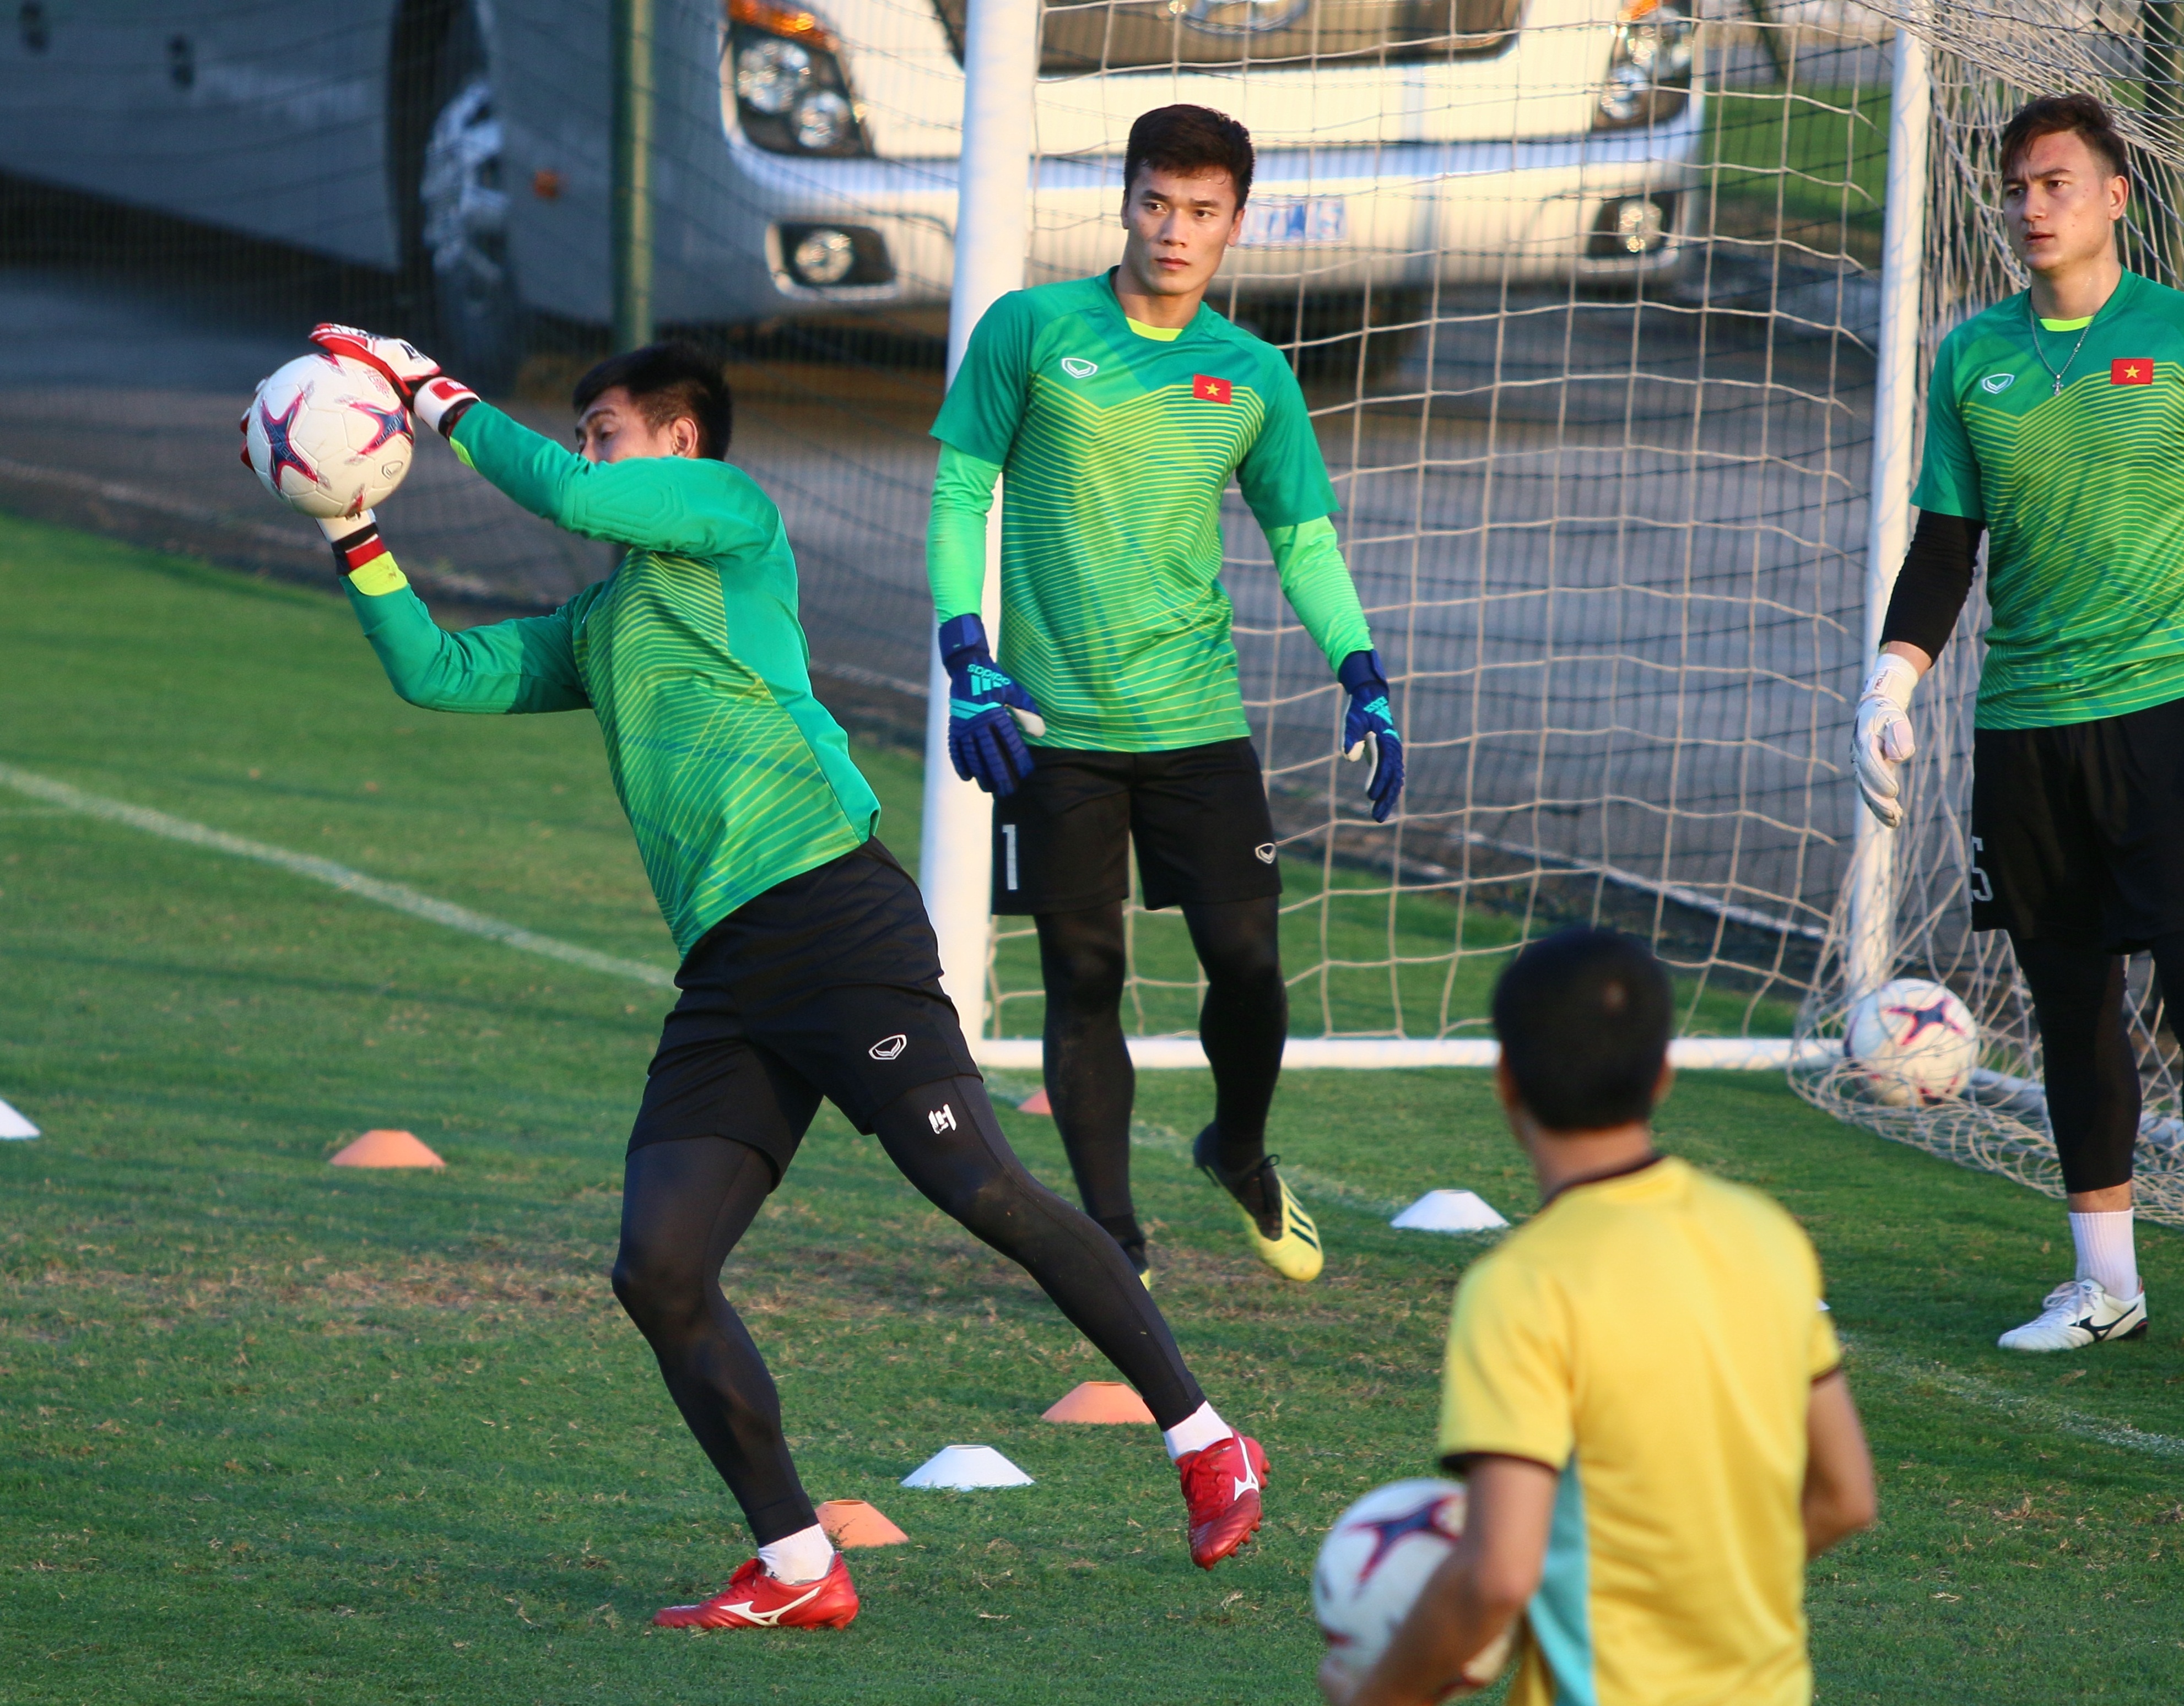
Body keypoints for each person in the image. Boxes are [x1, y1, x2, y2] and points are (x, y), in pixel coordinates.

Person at [271, 327, 1272, 1629]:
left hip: (830, 913)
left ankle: (1203, 1435)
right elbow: (437, 672)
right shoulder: (600, 620)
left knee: (978, 1183)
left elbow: (568, 499)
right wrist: (357, 533)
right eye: (582, 436)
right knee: (658, 1264)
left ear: (679, 443)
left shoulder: (731, 517)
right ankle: (798, 1562)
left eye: (607, 430)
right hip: (729, 969)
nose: (590, 458)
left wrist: (422, 386)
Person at [926, 102, 1403, 1288]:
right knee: (1083, 973)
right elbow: (958, 493)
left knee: (1245, 963)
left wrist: (1362, 671)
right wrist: (964, 653)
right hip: (1051, 725)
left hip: (1196, 724)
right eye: (1154, 201)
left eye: (1199, 211)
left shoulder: (1250, 376)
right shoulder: (1030, 331)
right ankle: (1113, 1243)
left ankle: (1235, 1147)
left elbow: (1301, 544)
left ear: (1235, 221)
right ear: (1124, 198)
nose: (1172, 230)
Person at [1322, 928, 1876, 1706]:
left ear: (1506, 1079)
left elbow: (1498, 1572)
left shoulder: (1523, 1285)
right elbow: (1846, 1495)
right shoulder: (1765, 1232)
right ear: (1664, 1075)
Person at [1852, 93, 2180, 1352]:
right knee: (2068, 1004)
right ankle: (2105, 1282)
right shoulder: (1968, 354)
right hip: (2022, 725)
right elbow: (1944, 547)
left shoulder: (2171, 334)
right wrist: (1890, 682)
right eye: (2016, 187)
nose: (2030, 207)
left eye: (2055, 184)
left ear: (2111, 197)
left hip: (2162, 711)